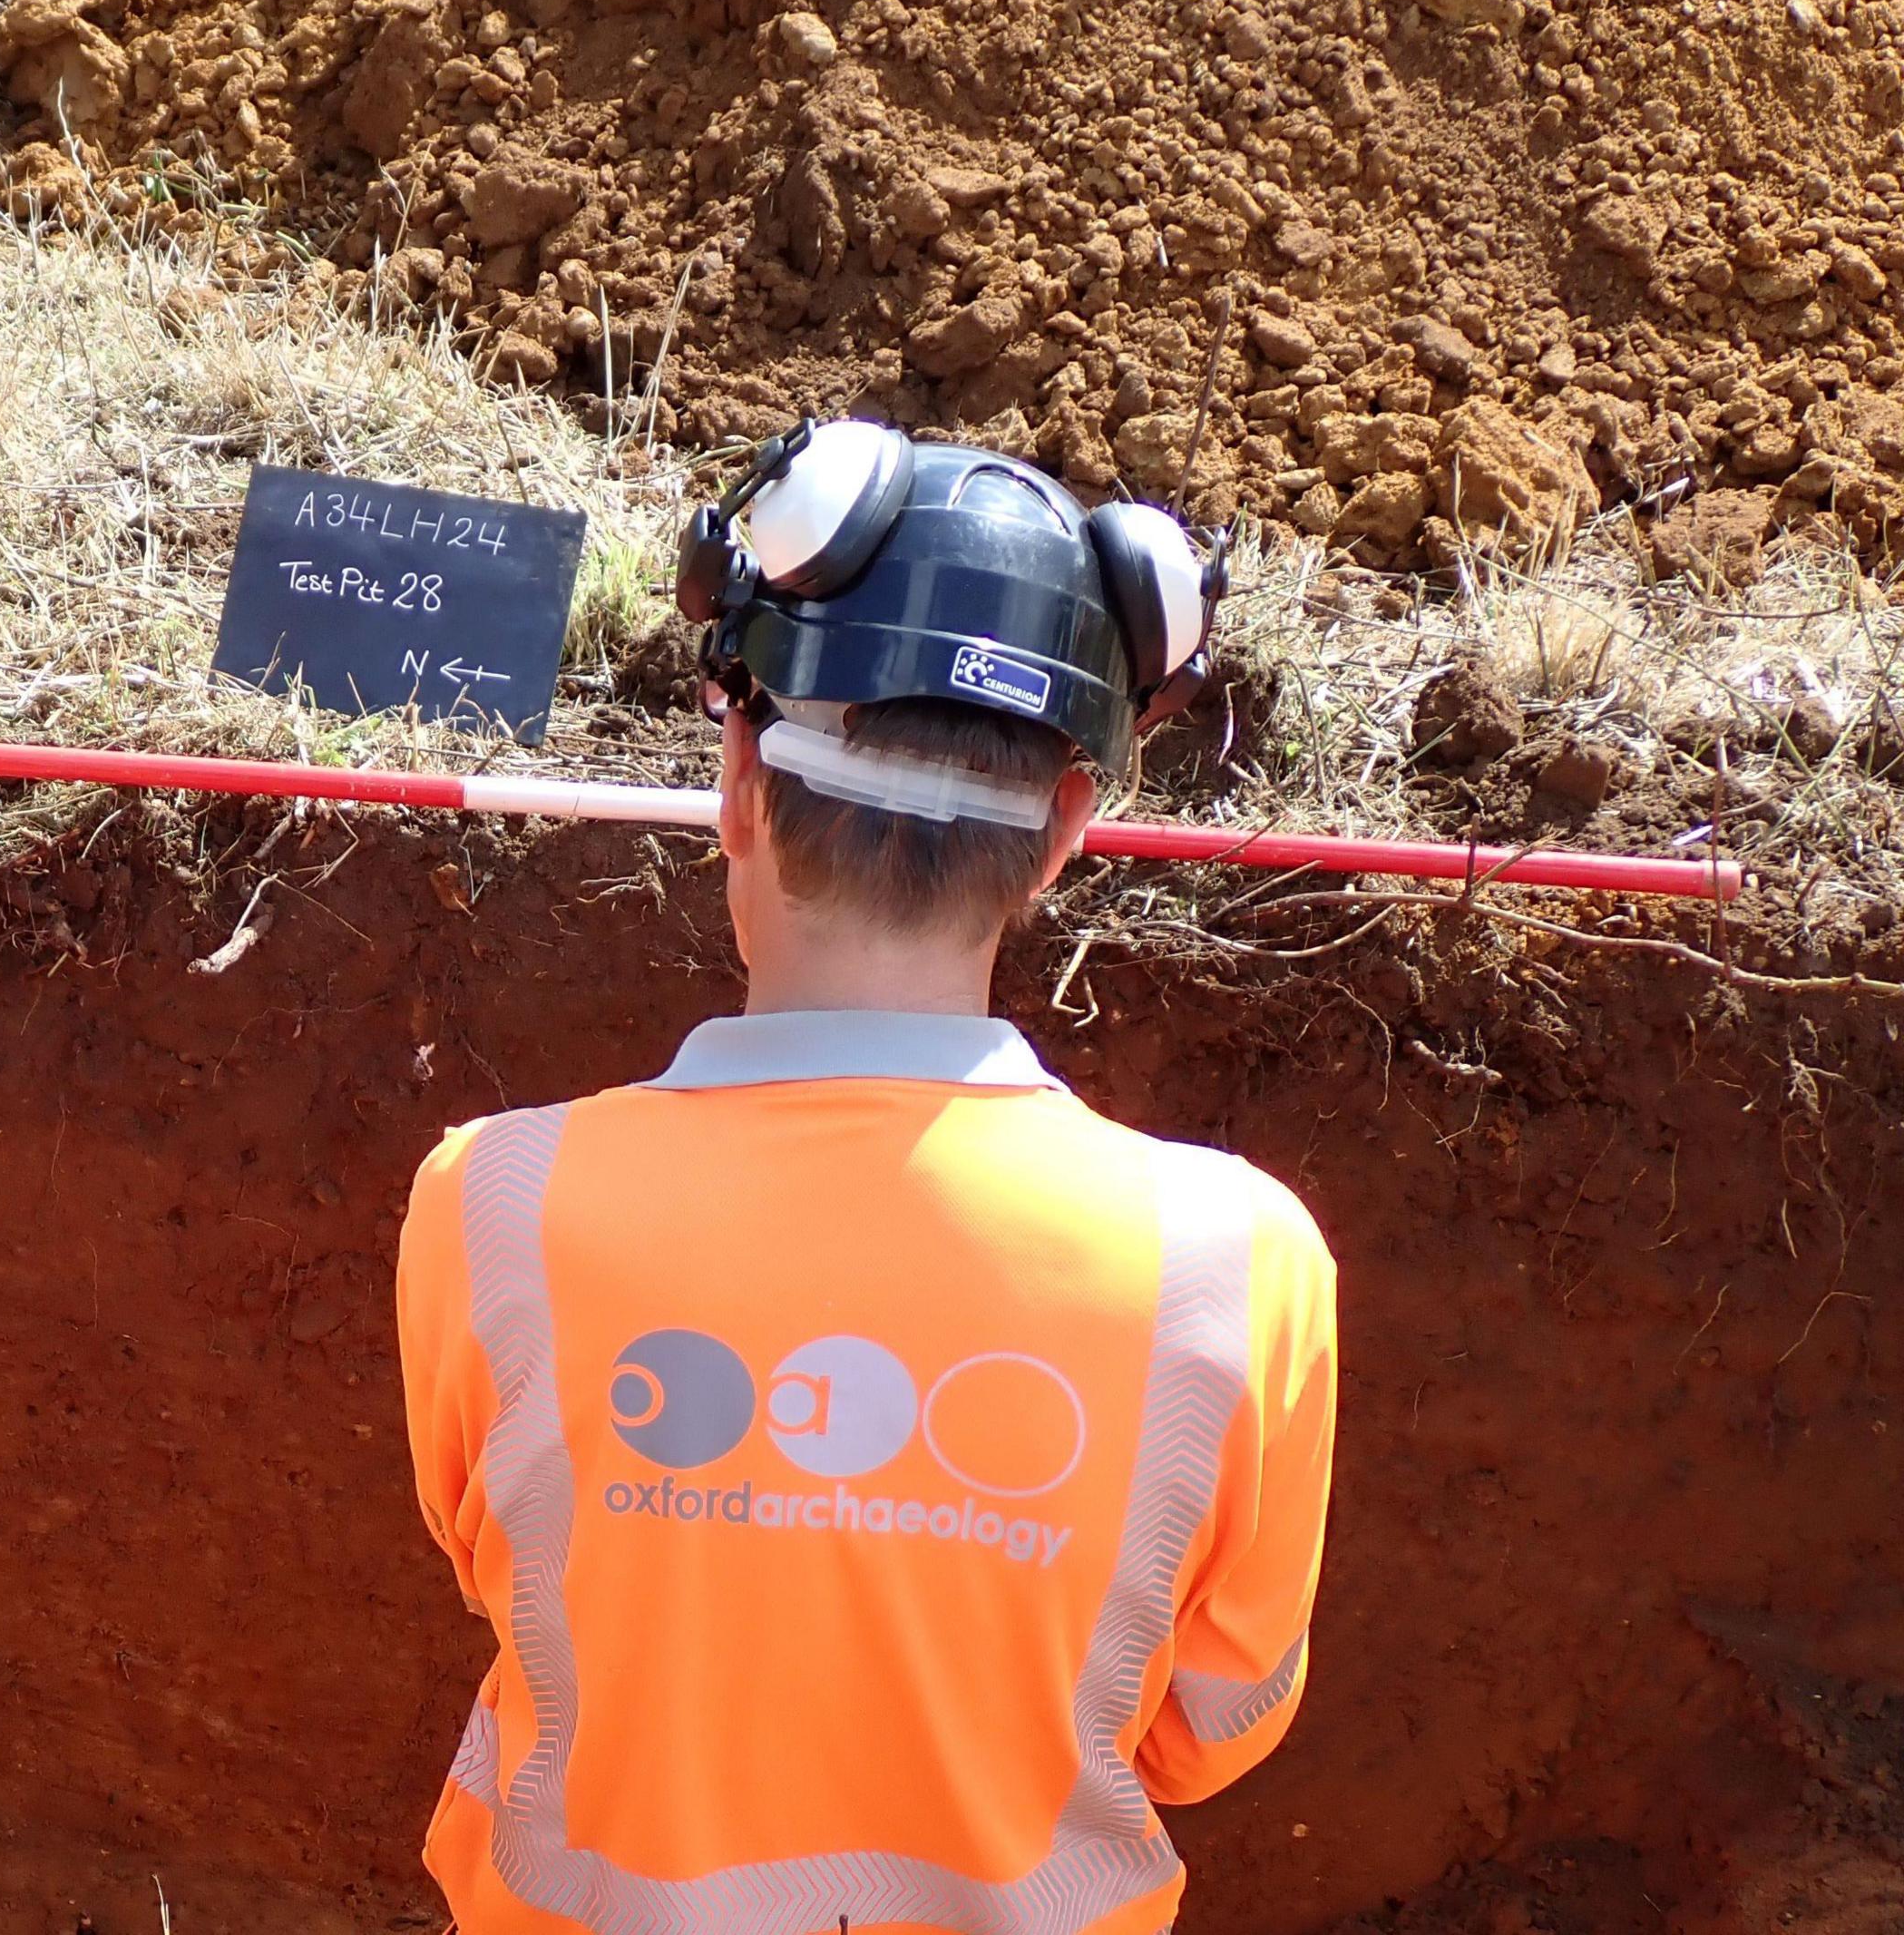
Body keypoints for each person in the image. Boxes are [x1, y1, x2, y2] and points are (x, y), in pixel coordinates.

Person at [395, 423, 1337, 1935]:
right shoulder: (1241, 1261)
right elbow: (1210, 1727)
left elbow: (510, 1571)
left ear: (740, 786)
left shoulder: (495, 1205)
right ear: (1064, 839)